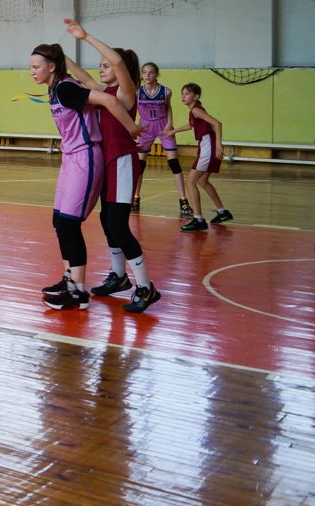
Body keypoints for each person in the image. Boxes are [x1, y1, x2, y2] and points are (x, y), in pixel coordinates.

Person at [30, 40, 141, 311]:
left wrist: (132, 128)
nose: (32, 71)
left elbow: (107, 98)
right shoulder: (57, 88)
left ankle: (78, 293)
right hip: (71, 158)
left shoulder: (66, 88)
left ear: (51, 67)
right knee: (59, 220)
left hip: (86, 157)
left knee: (69, 223)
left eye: (36, 67)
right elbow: (87, 78)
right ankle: (70, 279)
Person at [62, 19, 161, 313]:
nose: (101, 68)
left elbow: (118, 60)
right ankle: (119, 277)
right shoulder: (105, 94)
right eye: (101, 65)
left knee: (118, 224)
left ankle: (145, 286)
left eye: (105, 65)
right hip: (105, 163)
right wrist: (58, 56)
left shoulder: (125, 92)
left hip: (121, 163)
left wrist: (85, 36)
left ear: (120, 70)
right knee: (107, 222)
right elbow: (79, 74)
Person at [166, 83, 232, 232]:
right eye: (182, 93)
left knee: (190, 183)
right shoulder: (195, 111)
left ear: (196, 97)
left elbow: (217, 123)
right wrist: (174, 131)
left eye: (187, 94)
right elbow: (191, 126)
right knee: (203, 181)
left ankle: (198, 219)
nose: (183, 96)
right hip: (208, 147)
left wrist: (218, 145)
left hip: (208, 148)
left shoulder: (196, 110)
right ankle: (222, 212)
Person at [133, 62, 191, 217]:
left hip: (163, 125)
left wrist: (170, 123)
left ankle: (183, 199)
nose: (147, 75)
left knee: (174, 163)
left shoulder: (166, 91)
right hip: (145, 126)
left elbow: (168, 106)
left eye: (151, 72)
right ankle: (136, 198)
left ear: (156, 74)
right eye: (144, 72)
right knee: (139, 165)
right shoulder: (137, 92)